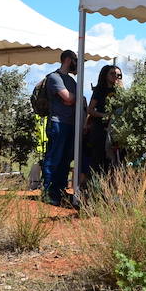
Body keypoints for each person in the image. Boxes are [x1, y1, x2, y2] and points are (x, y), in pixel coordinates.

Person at [41, 49, 82, 206]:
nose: (76, 63)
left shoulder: (71, 81)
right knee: (54, 158)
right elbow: (68, 98)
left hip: (70, 124)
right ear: (68, 59)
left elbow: (76, 99)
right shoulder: (54, 77)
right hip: (58, 123)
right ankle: (48, 192)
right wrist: (73, 98)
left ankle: (59, 191)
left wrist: (73, 97)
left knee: (65, 160)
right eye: (75, 59)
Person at [85, 64, 122, 181]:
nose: (115, 76)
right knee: (98, 158)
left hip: (116, 130)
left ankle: (110, 189)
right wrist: (104, 116)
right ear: (105, 75)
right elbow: (90, 109)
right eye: (112, 73)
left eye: (118, 74)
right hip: (100, 129)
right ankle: (94, 188)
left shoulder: (121, 91)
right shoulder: (99, 90)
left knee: (114, 160)